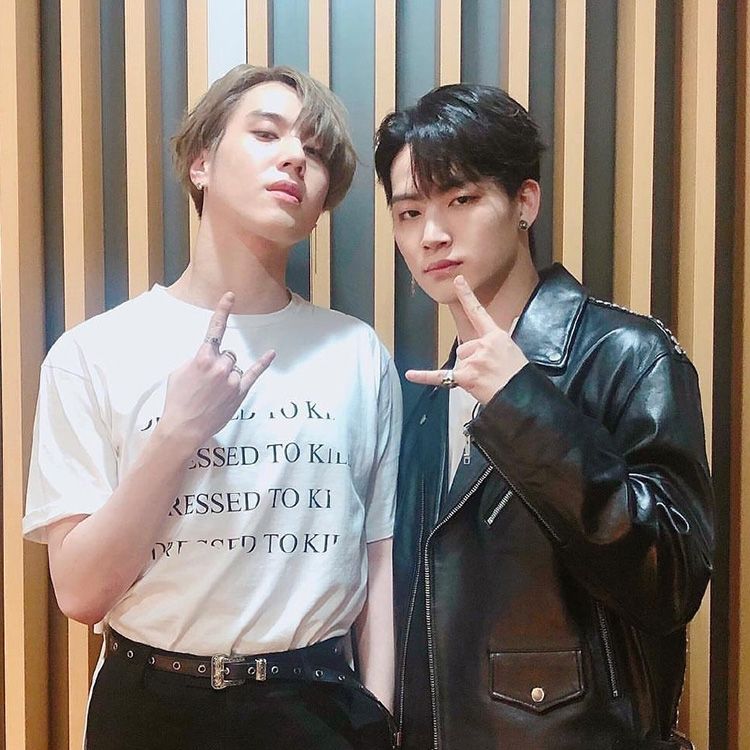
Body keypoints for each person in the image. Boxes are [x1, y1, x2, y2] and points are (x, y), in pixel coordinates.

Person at [24, 64, 400, 750]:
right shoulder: (94, 353)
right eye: (267, 133)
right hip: (152, 703)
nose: (295, 158)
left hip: (317, 703)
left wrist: (378, 711)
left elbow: (378, 556)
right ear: (201, 163)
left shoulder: (356, 353)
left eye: (316, 152)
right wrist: (178, 433)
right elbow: (79, 594)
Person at [374, 83, 713, 750]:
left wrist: (522, 404)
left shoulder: (627, 355)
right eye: (409, 212)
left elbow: (672, 579)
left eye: (461, 200)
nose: (432, 235)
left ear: (525, 202)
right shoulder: (427, 401)